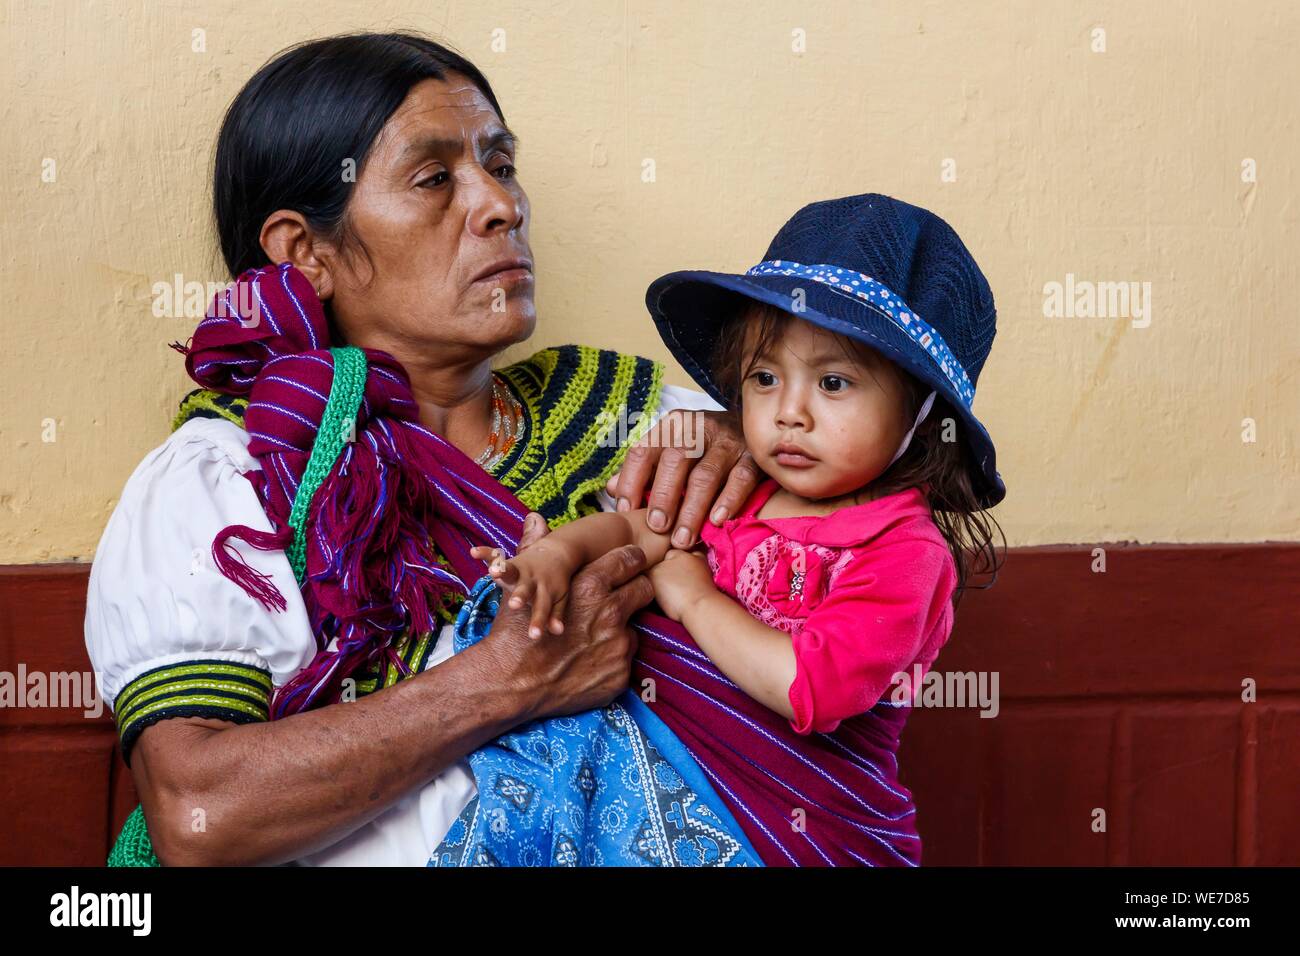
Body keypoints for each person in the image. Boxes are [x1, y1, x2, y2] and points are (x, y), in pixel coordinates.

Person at [84, 32, 757, 867]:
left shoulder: (633, 420)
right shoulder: (227, 483)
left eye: (501, 165)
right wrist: (511, 679)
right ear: (305, 252)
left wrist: (750, 434)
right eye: (435, 179)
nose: (500, 205)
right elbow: (199, 813)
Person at [431, 192, 1006, 866]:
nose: (789, 412)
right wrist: (554, 557)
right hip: (669, 798)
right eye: (764, 377)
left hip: (807, 833)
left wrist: (693, 596)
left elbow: (809, 688)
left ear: (920, 409)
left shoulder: (905, 553)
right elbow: (636, 532)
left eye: (835, 383)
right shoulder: (743, 488)